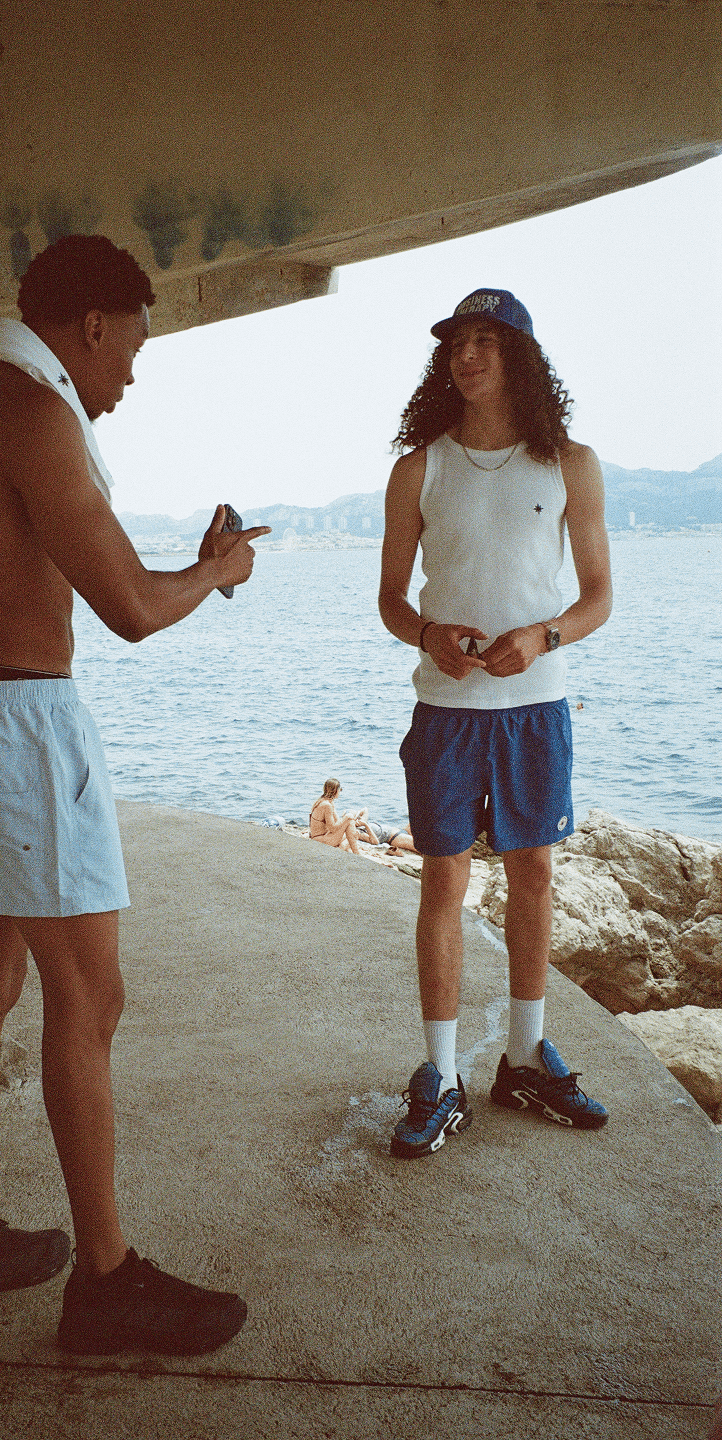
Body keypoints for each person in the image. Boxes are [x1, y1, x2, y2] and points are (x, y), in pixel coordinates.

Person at [0, 233, 270, 1353]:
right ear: (93, 326)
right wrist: (218, 569)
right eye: (129, 357)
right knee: (89, 997)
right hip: (17, 722)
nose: (124, 386)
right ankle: (105, 1281)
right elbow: (134, 611)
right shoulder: (37, 414)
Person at [378, 287, 612, 1159]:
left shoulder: (570, 464)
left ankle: (522, 1057)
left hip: (534, 707)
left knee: (536, 876)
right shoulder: (419, 467)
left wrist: (543, 635)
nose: (466, 356)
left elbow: (595, 600)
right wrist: (428, 633)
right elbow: (391, 601)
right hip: (445, 710)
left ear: (519, 356)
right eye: (455, 343)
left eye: (485, 340)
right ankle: (439, 1076)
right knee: (442, 884)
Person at [309, 779, 362, 853]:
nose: (340, 791)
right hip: (320, 840)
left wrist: (347, 821)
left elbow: (337, 821)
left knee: (354, 833)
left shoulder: (326, 801)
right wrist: (347, 817)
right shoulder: (327, 805)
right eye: (340, 789)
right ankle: (356, 853)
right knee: (349, 820)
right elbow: (332, 828)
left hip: (324, 836)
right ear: (335, 790)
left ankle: (344, 849)